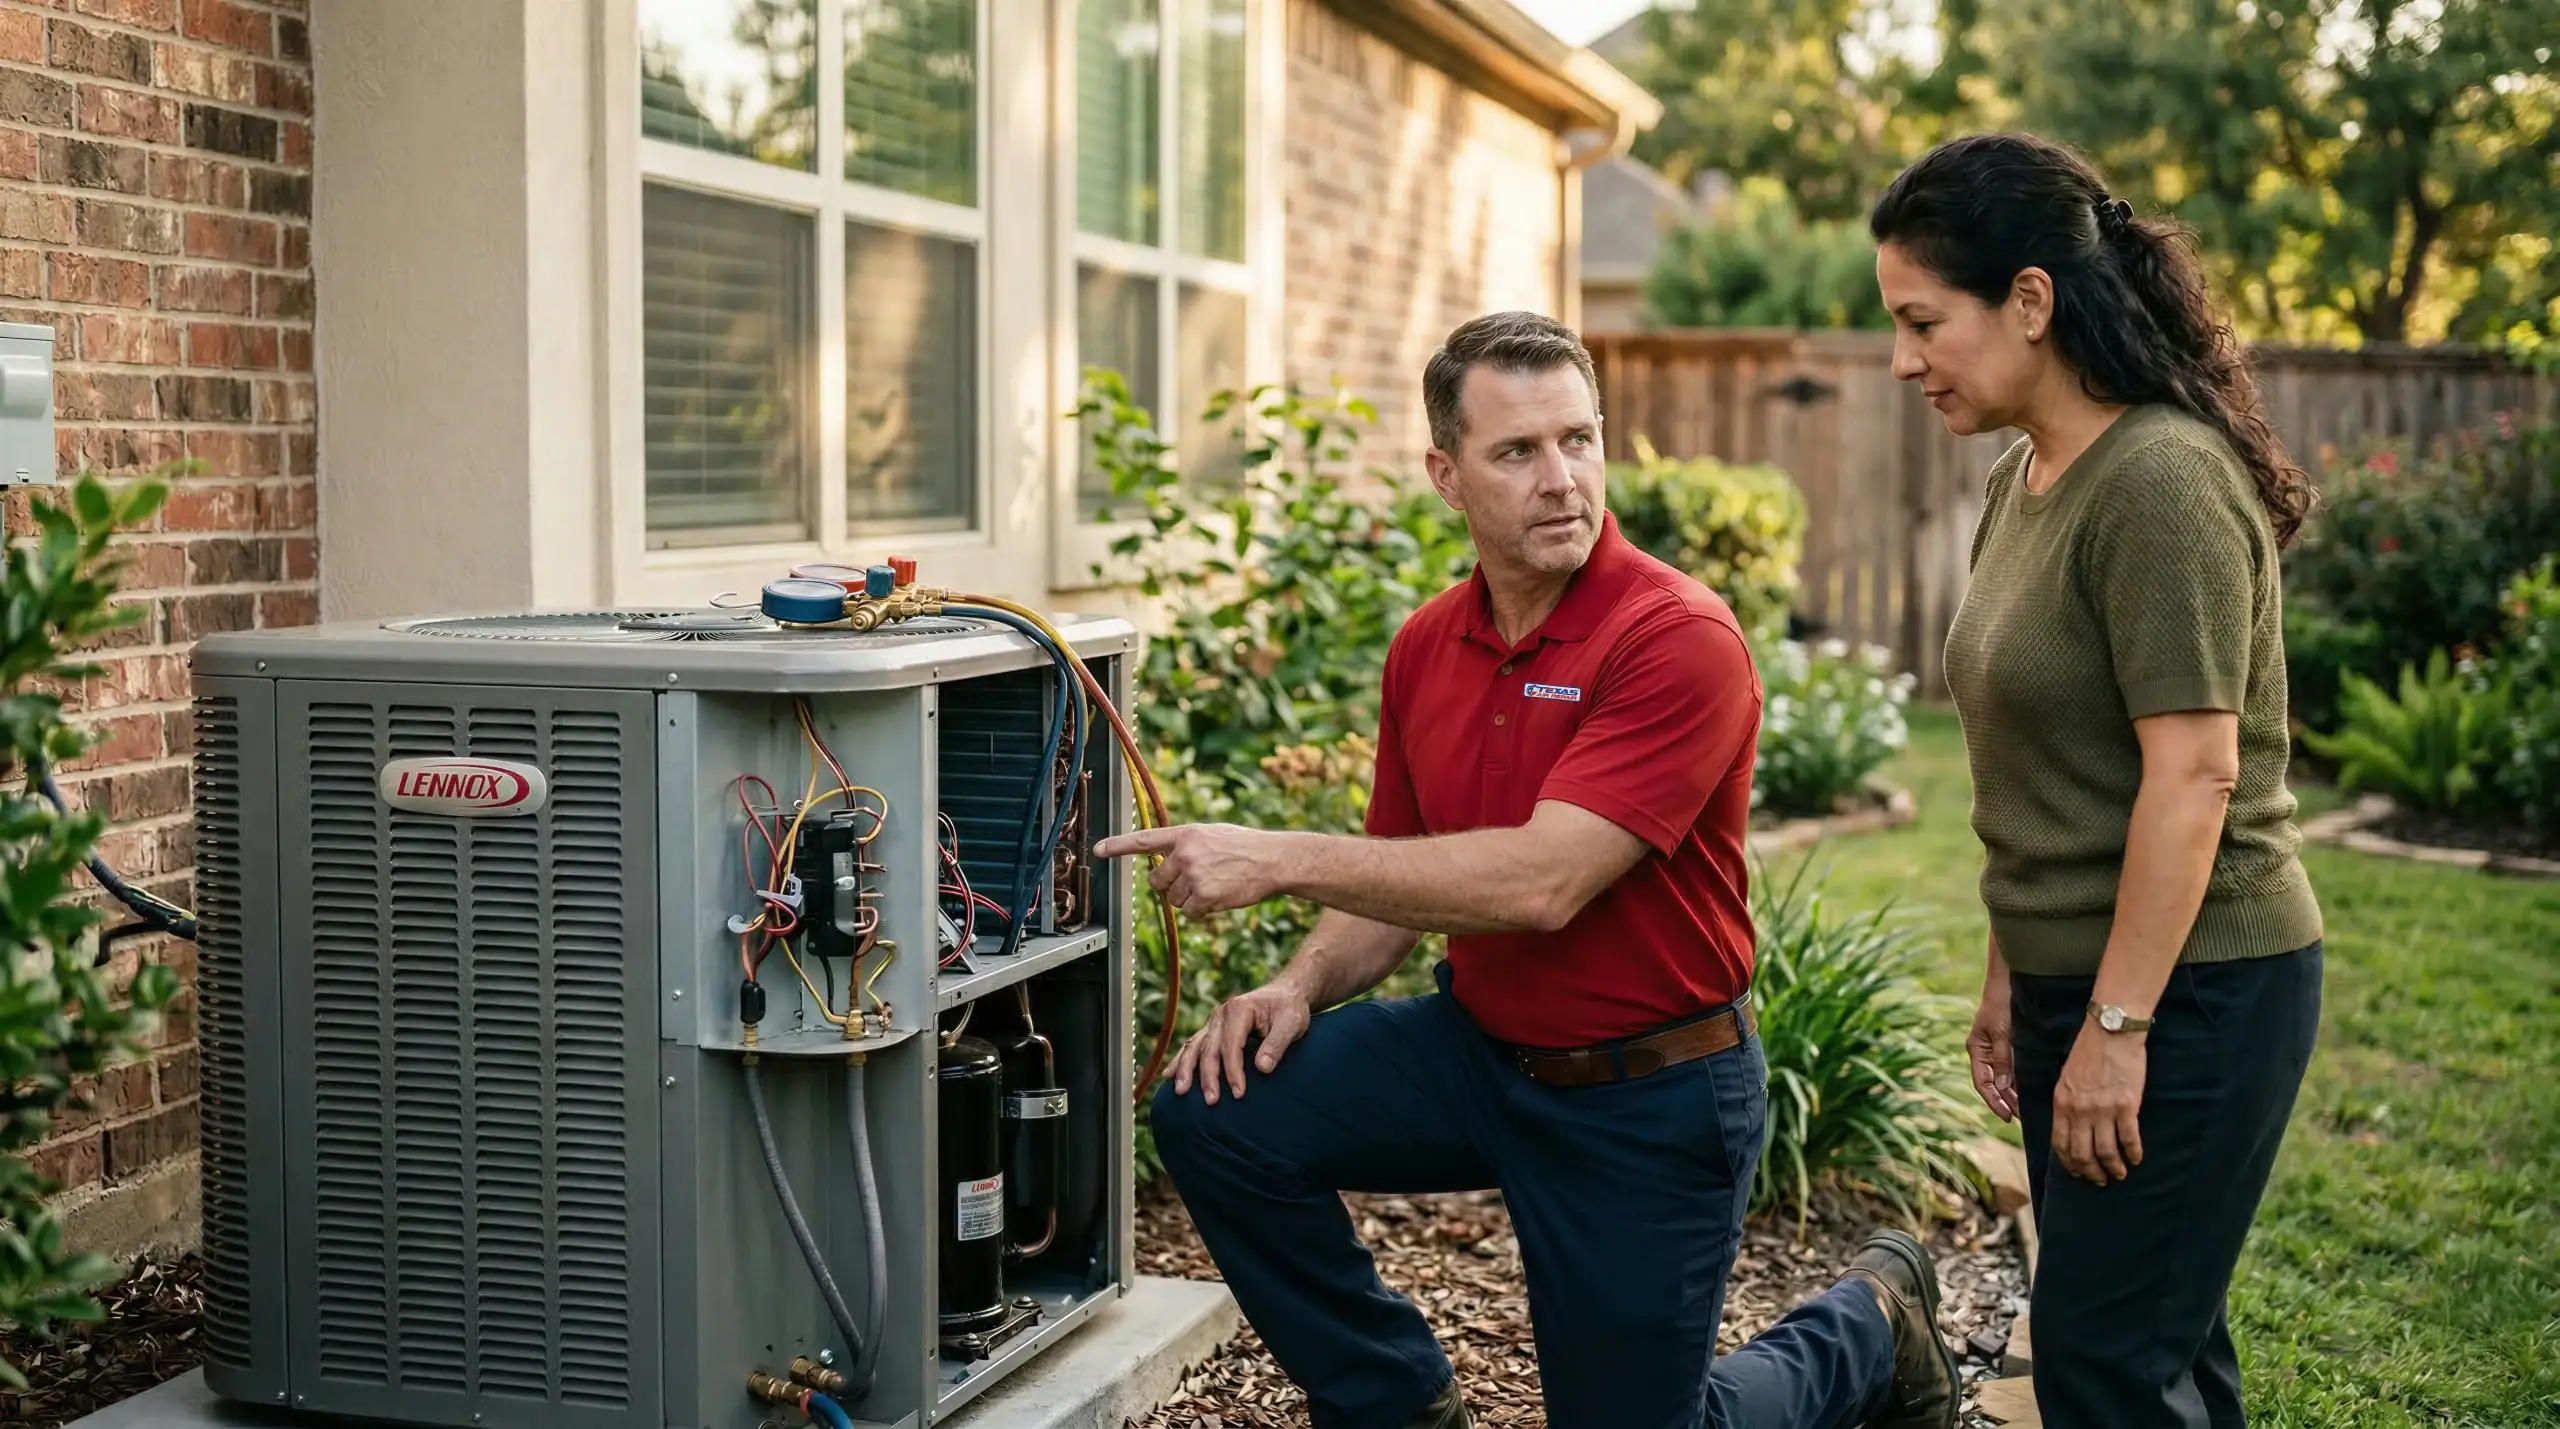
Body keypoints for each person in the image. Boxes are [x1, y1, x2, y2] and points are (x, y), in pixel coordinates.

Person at [1093, 310, 1960, 1429]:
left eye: (1578, 440)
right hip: (1477, 1054)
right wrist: (1293, 988)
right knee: (1217, 1111)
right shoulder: (1427, 645)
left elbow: (1542, 882)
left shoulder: (1674, 637)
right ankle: (1397, 1401)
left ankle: (1872, 1324)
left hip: (1647, 1093)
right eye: (1517, 452)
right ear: (1446, 475)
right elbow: (1395, 884)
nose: (1560, 479)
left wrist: (1275, 858)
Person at [1869, 133, 2325, 1428]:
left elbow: (2192, 774)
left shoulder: (2163, 481)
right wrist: (2021, 974)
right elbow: (2059, 765)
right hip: (2093, 979)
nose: (1904, 360)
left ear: (2029, 299)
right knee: (2152, 1353)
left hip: (2198, 988)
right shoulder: (2029, 474)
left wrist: (2118, 1028)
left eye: (1922, 321)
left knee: (2104, 1363)